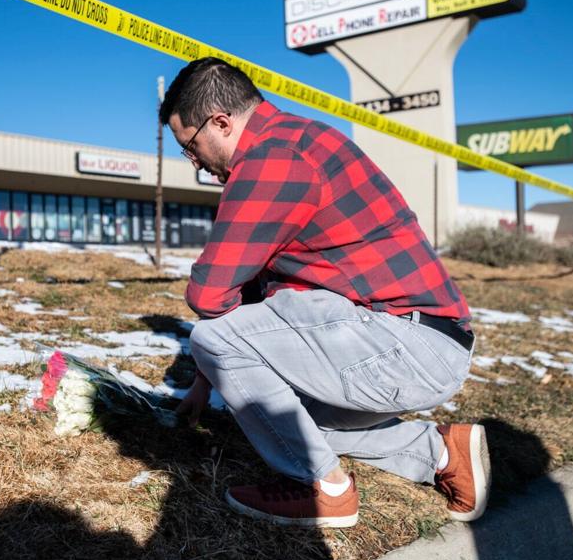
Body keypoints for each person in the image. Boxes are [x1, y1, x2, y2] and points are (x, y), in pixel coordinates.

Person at [164, 57, 489, 528]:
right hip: (423, 342)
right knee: (285, 424)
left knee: (214, 341)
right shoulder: (299, 141)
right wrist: (203, 382)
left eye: (190, 146)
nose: (193, 161)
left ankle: (324, 489)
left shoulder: (271, 160)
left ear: (221, 122)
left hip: (403, 344)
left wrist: (209, 356)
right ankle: (442, 452)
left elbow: (210, 293)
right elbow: (253, 292)